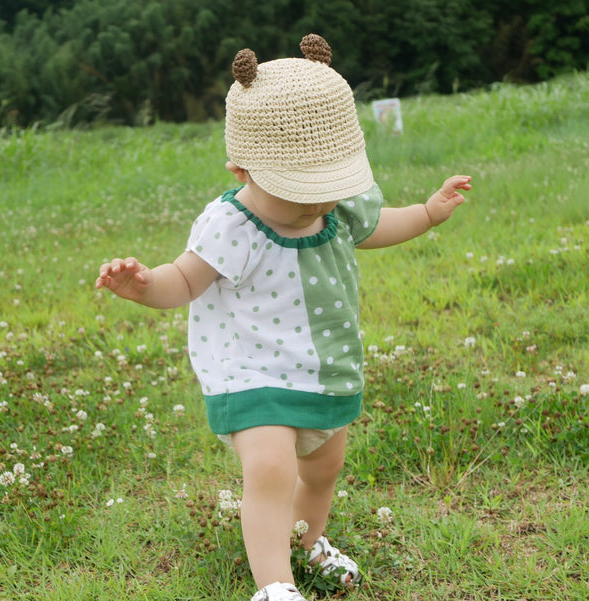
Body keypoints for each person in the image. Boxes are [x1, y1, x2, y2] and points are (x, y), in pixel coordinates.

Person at [96, 34, 471, 601]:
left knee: (323, 468)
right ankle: (275, 585)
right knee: (272, 469)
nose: (318, 202)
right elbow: (185, 280)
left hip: (324, 370)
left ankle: (307, 540)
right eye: (301, 191)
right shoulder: (231, 225)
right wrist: (143, 286)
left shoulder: (336, 205)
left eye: (328, 188)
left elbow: (375, 228)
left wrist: (426, 212)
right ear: (242, 169)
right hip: (250, 373)